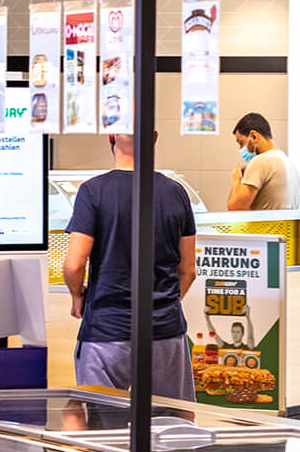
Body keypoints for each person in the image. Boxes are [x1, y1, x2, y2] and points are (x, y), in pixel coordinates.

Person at [63, 133, 200, 398]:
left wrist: (77, 296)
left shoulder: (93, 191)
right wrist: (165, 303)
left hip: (106, 329)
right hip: (165, 331)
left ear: (111, 137)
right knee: (171, 425)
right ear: (155, 137)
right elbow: (188, 270)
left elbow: (73, 264)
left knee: (100, 427)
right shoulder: (176, 192)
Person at [226, 113, 298, 211]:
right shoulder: (289, 163)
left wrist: (237, 179)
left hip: (265, 226)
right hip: (284, 226)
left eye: (241, 142)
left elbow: (235, 209)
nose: (240, 149)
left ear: (254, 136)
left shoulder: (261, 161)